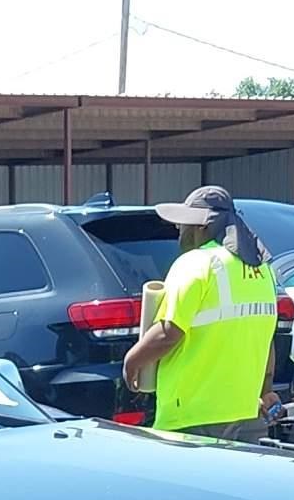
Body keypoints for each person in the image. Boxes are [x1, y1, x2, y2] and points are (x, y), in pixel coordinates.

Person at [119, 186, 278, 441]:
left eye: (183, 224)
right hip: (245, 413)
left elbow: (168, 333)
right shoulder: (261, 270)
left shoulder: (195, 263)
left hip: (192, 416)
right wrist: (265, 389)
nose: (178, 231)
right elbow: (266, 338)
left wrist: (132, 361)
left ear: (202, 227)